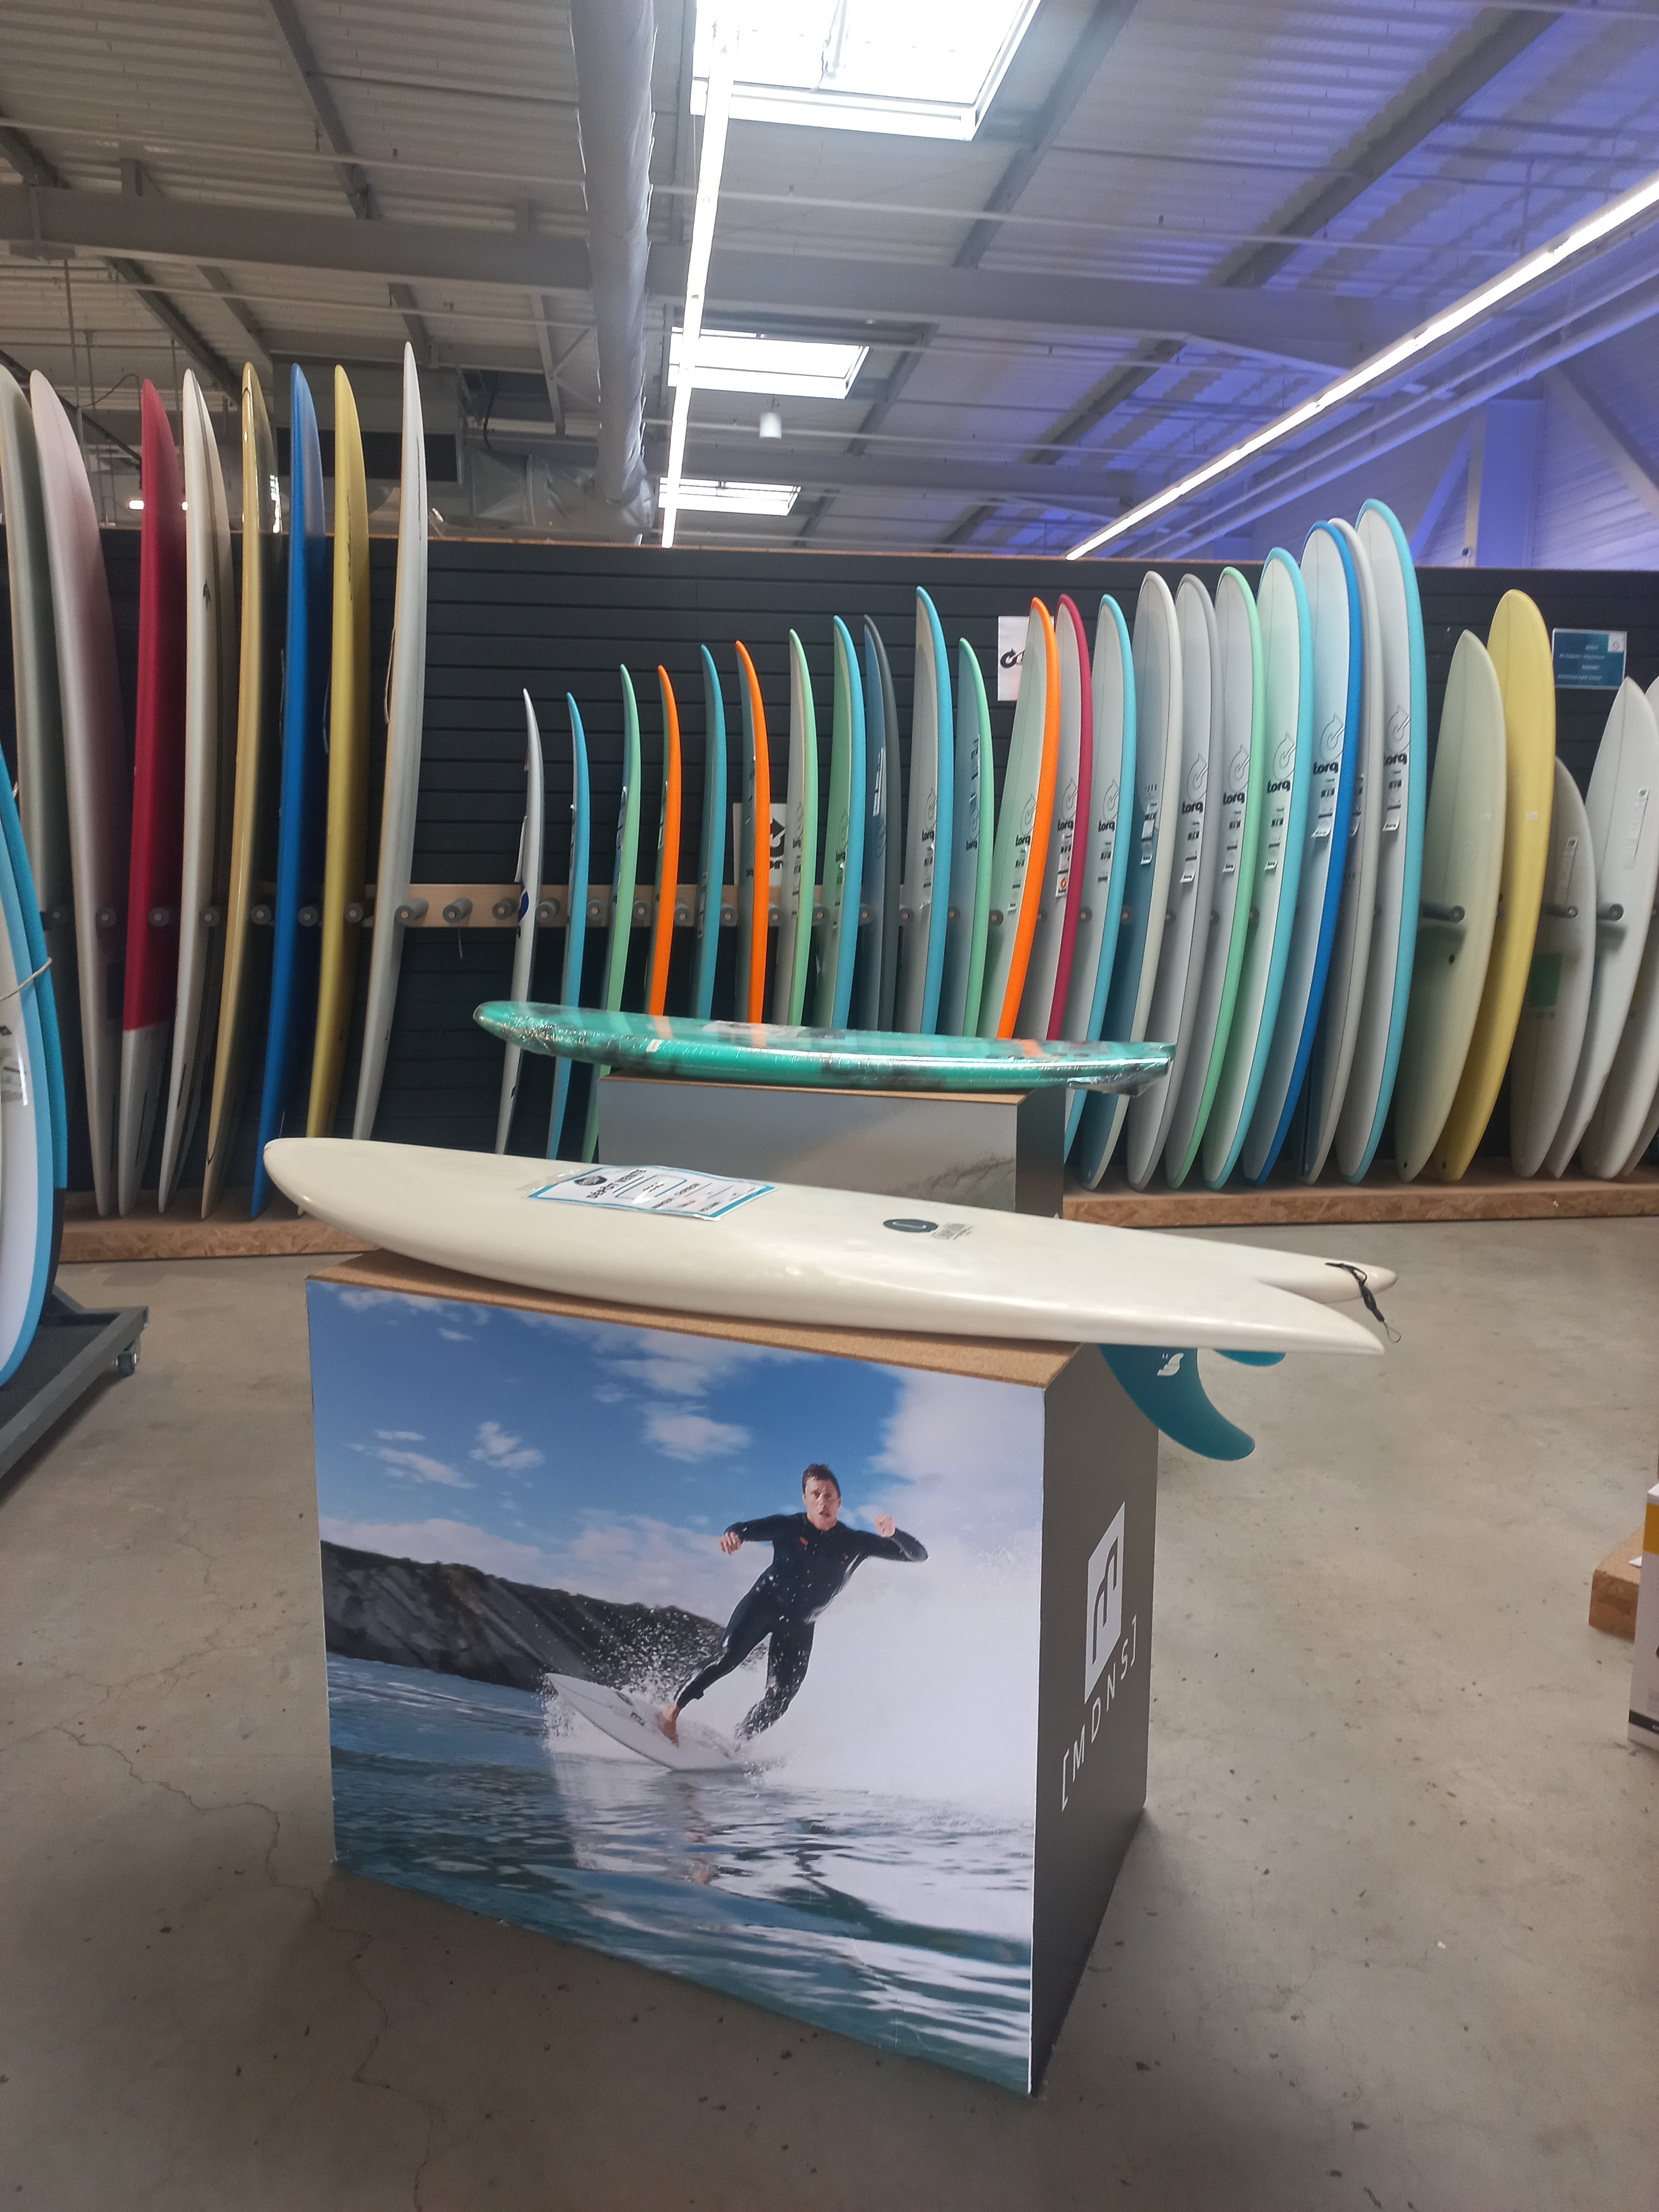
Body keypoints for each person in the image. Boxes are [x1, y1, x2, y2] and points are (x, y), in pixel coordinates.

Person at [657, 1464, 926, 1744]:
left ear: (839, 1502)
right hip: (764, 1605)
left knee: (781, 1696)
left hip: (800, 1625)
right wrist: (733, 1535)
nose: (823, 1501)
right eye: (816, 1494)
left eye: (829, 1496)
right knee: (726, 1658)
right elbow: (743, 1529)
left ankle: (740, 1739)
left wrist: (894, 1533)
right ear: (806, 1499)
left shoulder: (856, 1543)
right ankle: (671, 1712)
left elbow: (918, 1555)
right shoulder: (789, 1526)